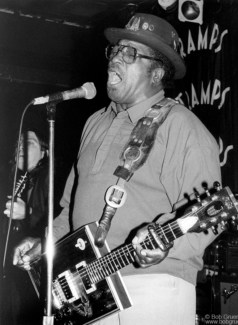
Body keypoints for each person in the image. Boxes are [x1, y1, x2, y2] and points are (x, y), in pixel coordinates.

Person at [13, 13, 221, 325]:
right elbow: (71, 209)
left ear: (157, 71)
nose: (115, 60)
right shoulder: (94, 122)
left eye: (130, 53)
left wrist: (164, 244)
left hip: (153, 286)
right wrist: (47, 246)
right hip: (92, 291)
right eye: (115, 51)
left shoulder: (183, 126)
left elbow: (210, 216)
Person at [2, 127, 49, 325]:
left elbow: (60, 219)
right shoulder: (17, 182)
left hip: (40, 276)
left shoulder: (51, 176)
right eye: (17, 145)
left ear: (44, 152)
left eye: (28, 143)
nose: (20, 147)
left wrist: (28, 213)